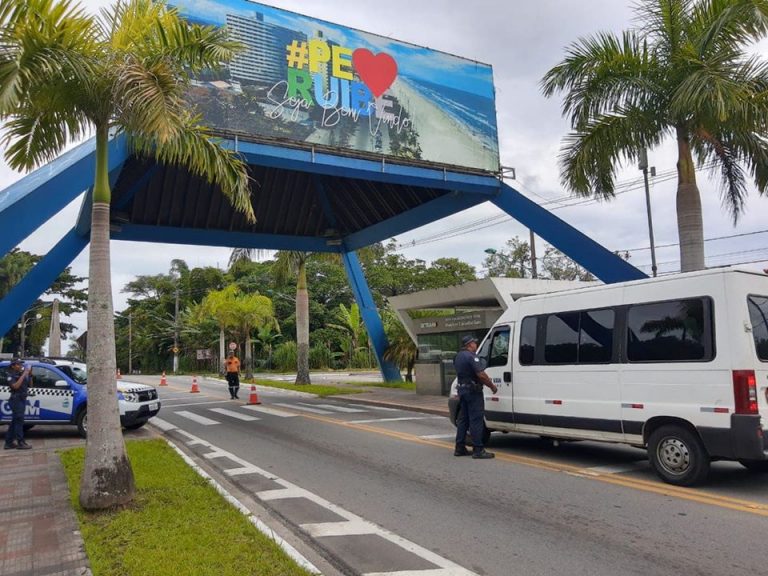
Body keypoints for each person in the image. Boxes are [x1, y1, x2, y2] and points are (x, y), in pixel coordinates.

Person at [453, 335, 497, 459]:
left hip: (462, 390)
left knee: (463, 420)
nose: (476, 345)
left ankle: (459, 447)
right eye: (474, 343)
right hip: (473, 392)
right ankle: (478, 449)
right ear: (469, 344)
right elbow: (481, 374)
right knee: (476, 420)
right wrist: (492, 386)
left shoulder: (458, 356)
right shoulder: (471, 356)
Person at [4, 358, 32, 450]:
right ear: (13, 366)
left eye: (21, 364)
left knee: (14, 422)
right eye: (18, 364)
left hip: (22, 399)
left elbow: (30, 385)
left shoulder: (20, 374)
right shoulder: (10, 375)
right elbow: (15, 386)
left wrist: (30, 375)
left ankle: (8, 443)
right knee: (19, 422)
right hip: (16, 400)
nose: (20, 366)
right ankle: (20, 442)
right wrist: (24, 374)